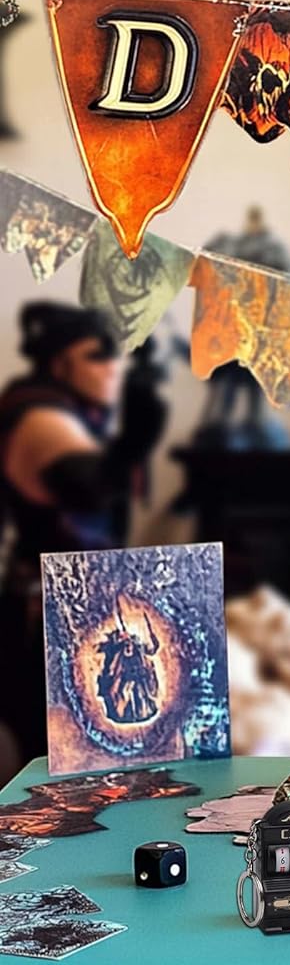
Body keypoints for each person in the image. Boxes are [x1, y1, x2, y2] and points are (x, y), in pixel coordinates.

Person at [0, 301, 166, 766]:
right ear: (59, 365)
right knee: (60, 771)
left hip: (66, 615)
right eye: (96, 356)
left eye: (115, 356)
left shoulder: (72, 412)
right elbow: (89, 490)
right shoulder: (38, 416)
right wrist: (133, 443)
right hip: (41, 624)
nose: (112, 369)